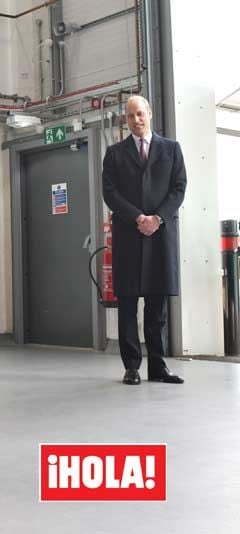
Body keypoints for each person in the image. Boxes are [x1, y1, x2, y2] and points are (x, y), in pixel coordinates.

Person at [102, 94, 187, 386]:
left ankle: (159, 367)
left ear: (149, 113)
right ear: (125, 120)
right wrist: (139, 218)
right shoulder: (114, 154)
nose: (135, 120)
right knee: (127, 305)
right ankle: (132, 367)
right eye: (130, 116)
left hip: (160, 236)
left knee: (157, 306)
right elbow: (110, 193)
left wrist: (157, 218)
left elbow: (179, 188)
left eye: (140, 114)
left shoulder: (171, 149)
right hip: (129, 235)